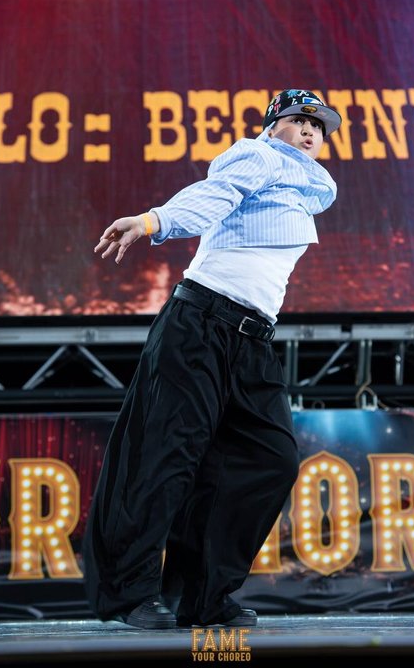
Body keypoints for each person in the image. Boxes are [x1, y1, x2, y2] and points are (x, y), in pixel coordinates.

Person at [82, 89, 341, 629]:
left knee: (269, 458)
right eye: (300, 120)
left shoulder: (304, 187)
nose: (311, 131)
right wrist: (152, 221)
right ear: (274, 124)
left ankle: (201, 597)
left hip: (252, 341)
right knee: (165, 457)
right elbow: (214, 195)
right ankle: (129, 594)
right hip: (200, 324)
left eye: (320, 126)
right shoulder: (257, 156)